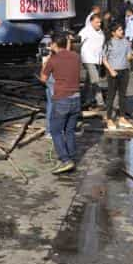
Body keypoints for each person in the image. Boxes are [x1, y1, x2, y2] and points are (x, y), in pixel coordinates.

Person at [40, 34, 82, 174]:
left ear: (53, 45)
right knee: (69, 131)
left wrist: (45, 62)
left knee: (55, 131)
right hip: (76, 98)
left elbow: (43, 78)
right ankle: (71, 157)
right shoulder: (76, 56)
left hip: (62, 98)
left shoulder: (53, 59)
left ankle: (65, 160)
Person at [103, 23, 133, 129]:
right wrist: (111, 70)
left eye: (122, 29)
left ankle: (122, 117)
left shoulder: (126, 42)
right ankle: (109, 118)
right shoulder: (109, 43)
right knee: (111, 95)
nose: (122, 31)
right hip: (113, 71)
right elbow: (104, 59)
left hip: (125, 71)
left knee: (123, 95)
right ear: (113, 33)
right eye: (119, 30)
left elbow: (128, 57)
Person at [78, 14, 106, 108]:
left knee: (89, 81)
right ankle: (100, 102)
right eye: (97, 22)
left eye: (100, 22)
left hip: (97, 59)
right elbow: (78, 41)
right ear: (91, 22)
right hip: (88, 58)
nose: (99, 24)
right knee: (95, 80)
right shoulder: (86, 31)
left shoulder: (101, 32)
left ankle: (83, 97)